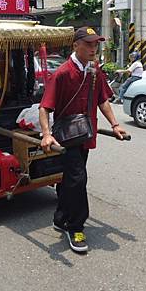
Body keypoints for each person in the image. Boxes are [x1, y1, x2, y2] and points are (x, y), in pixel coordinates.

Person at [39, 26, 126, 253]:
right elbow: (45, 107)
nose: (92, 48)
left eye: (95, 44)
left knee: (70, 178)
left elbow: (103, 100)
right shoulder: (62, 74)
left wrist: (115, 125)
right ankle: (75, 226)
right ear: (75, 45)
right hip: (67, 137)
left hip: (85, 134)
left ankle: (60, 216)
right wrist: (47, 134)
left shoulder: (95, 71)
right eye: (88, 44)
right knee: (78, 180)